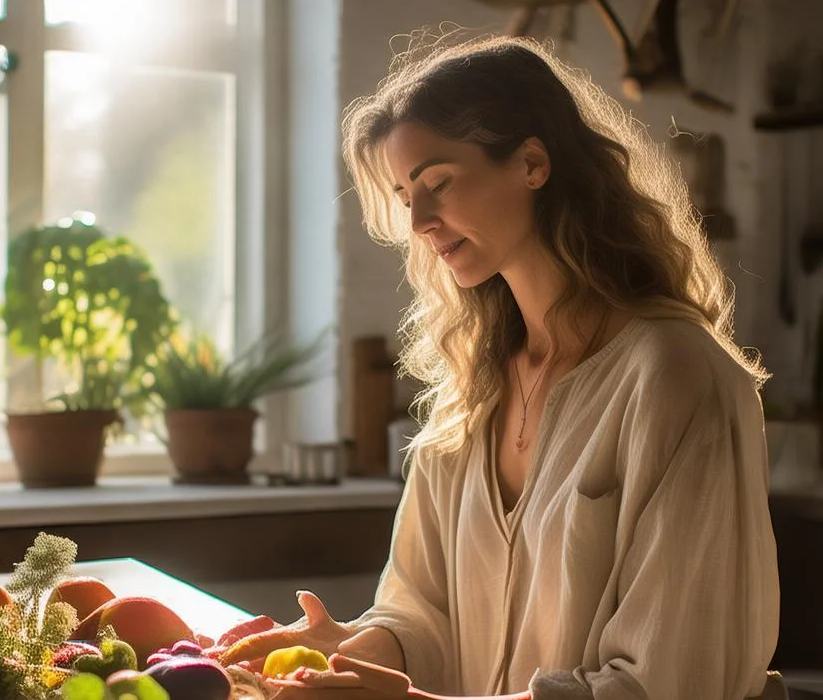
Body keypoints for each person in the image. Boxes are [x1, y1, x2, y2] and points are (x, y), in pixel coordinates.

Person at [221, 31, 785, 700]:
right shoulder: (470, 389)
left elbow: (668, 682)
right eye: (408, 198)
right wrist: (356, 648)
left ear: (532, 163)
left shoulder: (675, 375)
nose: (423, 221)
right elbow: (425, 611)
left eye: (440, 183)